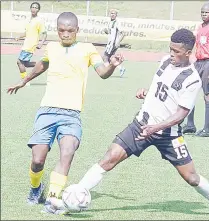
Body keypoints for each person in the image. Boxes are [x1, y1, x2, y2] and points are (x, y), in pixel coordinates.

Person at [50, 28, 209, 217]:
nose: (171, 54)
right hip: (141, 124)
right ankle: (74, 197)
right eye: (170, 49)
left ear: (188, 53)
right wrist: (146, 93)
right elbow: (159, 87)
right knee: (110, 157)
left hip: (168, 134)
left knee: (191, 177)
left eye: (176, 51)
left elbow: (181, 114)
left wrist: (156, 127)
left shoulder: (192, 80)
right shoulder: (165, 61)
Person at [7, 11, 124, 214]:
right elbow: (43, 64)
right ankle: (36, 188)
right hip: (47, 111)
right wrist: (25, 80)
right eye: (62, 31)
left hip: (71, 114)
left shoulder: (88, 49)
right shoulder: (52, 47)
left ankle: (52, 199)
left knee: (67, 152)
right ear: (57, 31)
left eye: (70, 31)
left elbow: (102, 73)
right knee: (37, 159)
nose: (66, 34)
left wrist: (112, 66)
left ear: (77, 30)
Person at [183, 2, 209, 137]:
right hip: (198, 63)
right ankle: (190, 125)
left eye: (206, 12)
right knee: (190, 91)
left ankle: (206, 129)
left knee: (207, 96)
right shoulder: (200, 27)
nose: (204, 14)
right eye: (202, 12)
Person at [15, 2, 47, 86]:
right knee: (25, 63)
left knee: (19, 62)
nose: (34, 9)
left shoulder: (39, 20)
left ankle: (25, 81)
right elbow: (27, 32)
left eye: (36, 7)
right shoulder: (29, 20)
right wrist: (19, 36)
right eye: (32, 7)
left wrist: (41, 43)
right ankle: (42, 64)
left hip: (30, 45)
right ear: (30, 8)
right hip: (26, 44)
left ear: (38, 10)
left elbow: (44, 34)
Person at [103, 9, 126, 77]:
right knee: (109, 58)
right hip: (110, 43)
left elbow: (123, 33)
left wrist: (118, 42)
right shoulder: (110, 22)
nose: (112, 14)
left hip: (112, 44)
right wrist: (106, 31)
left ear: (116, 15)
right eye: (111, 13)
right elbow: (111, 33)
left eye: (114, 13)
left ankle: (107, 71)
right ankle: (121, 68)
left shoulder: (117, 23)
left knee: (105, 57)